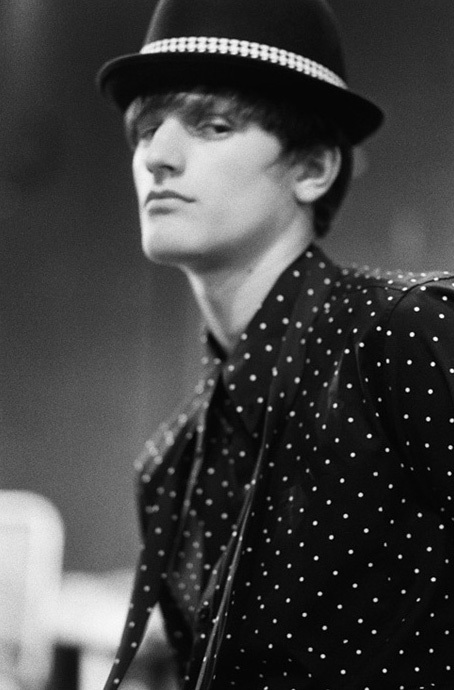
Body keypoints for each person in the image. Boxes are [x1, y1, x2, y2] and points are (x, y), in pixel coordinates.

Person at [96, 0, 454, 688]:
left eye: (214, 125)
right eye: (145, 129)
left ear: (313, 166)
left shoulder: (404, 335)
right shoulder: (170, 467)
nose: (157, 157)